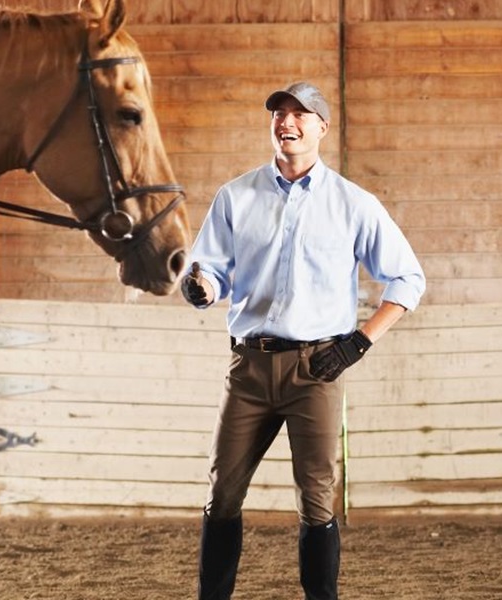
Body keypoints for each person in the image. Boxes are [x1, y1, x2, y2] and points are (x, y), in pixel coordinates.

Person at [180, 81, 426, 600]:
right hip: (248, 368)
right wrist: (201, 287)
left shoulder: (353, 204)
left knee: (316, 501)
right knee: (221, 494)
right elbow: (212, 270)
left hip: (317, 369)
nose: (287, 123)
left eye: (300, 114)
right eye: (279, 114)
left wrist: (359, 342)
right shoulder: (235, 196)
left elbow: (408, 279)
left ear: (322, 128)